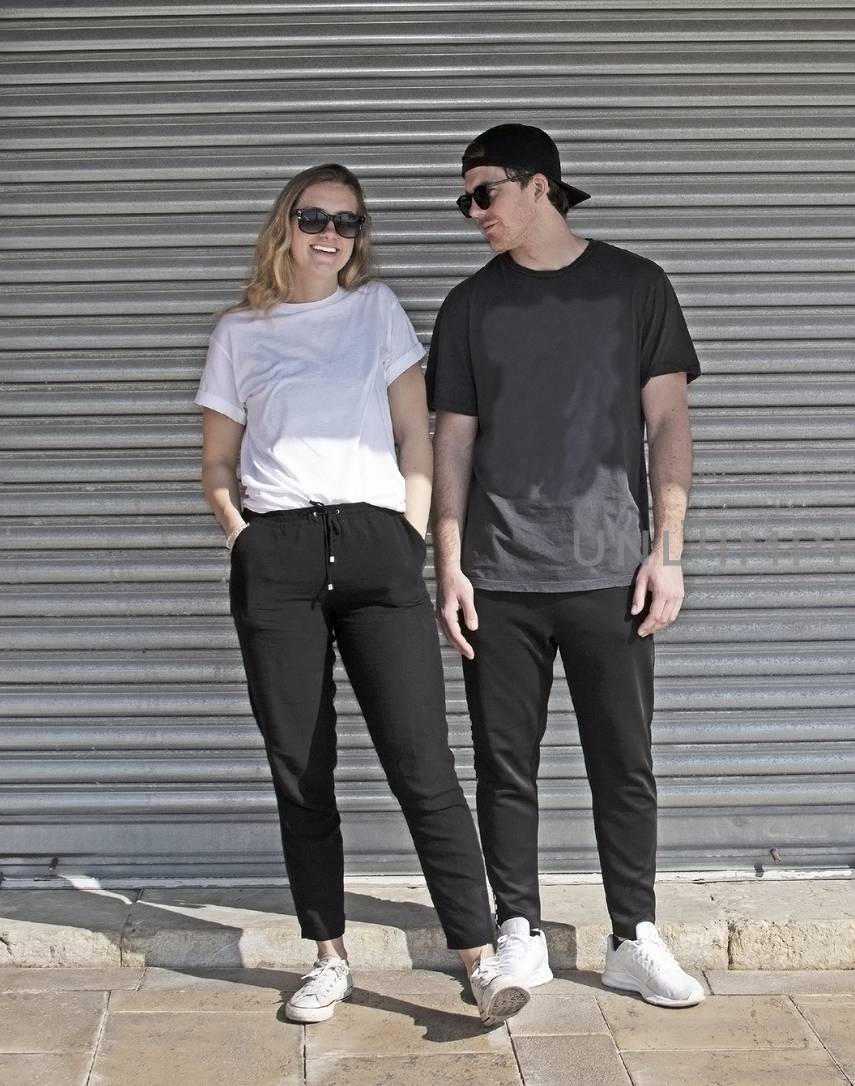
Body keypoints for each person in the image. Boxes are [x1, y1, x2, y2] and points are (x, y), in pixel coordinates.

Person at [196, 163, 532, 1027]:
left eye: (346, 223)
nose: (330, 235)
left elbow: (412, 435)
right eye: (314, 217)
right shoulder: (240, 331)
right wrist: (248, 538)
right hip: (280, 554)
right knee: (301, 769)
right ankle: (327, 957)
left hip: (378, 548)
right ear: (285, 224)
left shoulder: (377, 311)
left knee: (423, 764)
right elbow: (217, 466)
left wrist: (410, 534)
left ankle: (480, 958)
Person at [426, 124, 705, 1007]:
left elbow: (668, 426)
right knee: (506, 766)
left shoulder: (635, 286)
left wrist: (667, 553)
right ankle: (520, 932)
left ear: (538, 186)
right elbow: (453, 443)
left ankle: (635, 937)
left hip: (610, 568)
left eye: (484, 194)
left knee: (623, 761)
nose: (473, 213)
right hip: (500, 573)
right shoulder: (470, 305)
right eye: (466, 199)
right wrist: (448, 563)